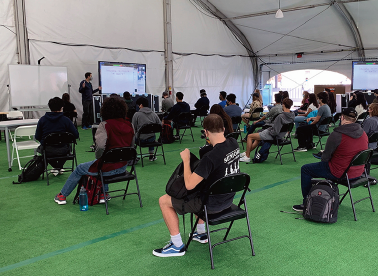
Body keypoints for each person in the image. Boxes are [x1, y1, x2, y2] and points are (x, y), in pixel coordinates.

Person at [153, 114, 240, 257]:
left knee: (164, 201)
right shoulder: (233, 143)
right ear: (223, 129)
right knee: (203, 188)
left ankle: (177, 245)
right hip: (228, 200)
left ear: (205, 132)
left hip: (211, 207)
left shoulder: (210, 158)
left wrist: (186, 160)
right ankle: (200, 233)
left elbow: (189, 185)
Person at [54, 97, 135, 205]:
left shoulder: (104, 125)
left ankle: (62, 196)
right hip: (123, 167)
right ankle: (103, 194)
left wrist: (99, 157)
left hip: (106, 167)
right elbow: (131, 147)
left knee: (80, 168)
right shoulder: (130, 125)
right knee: (102, 163)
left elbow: (100, 147)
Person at [292, 107, 368, 212]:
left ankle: (307, 202)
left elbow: (325, 158)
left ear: (342, 117)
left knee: (306, 169)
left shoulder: (337, 134)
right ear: (355, 119)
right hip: (358, 172)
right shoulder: (363, 134)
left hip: (340, 172)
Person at [35, 97, 79, 175]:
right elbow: (75, 135)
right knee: (68, 148)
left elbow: (37, 136)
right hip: (64, 150)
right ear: (62, 107)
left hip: (47, 150)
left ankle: (56, 167)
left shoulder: (42, 120)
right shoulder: (66, 120)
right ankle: (59, 167)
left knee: (43, 150)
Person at [132, 97, 162, 162]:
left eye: (138, 105)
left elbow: (133, 128)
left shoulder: (136, 115)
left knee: (131, 137)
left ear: (141, 105)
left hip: (140, 139)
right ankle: (151, 156)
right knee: (151, 134)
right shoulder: (154, 114)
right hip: (151, 139)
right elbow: (160, 125)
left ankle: (133, 156)